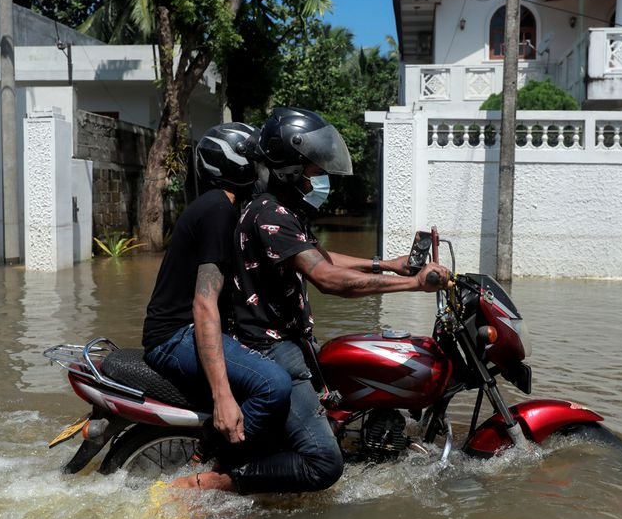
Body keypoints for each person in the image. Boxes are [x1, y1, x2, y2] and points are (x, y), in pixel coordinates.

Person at [171, 107, 450, 494]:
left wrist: (390, 265)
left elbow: (319, 258)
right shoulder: (271, 213)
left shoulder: (284, 211)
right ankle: (214, 484)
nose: (320, 177)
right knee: (324, 463)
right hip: (270, 347)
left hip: (289, 339)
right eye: (314, 169)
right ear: (289, 168)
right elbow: (328, 279)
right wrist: (415, 285)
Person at [142, 122, 292, 489]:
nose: (263, 171)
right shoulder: (216, 211)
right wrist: (223, 397)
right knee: (274, 385)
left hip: (185, 332)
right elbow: (204, 303)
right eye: (256, 162)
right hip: (174, 337)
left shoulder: (226, 209)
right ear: (236, 166)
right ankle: (211, 471)